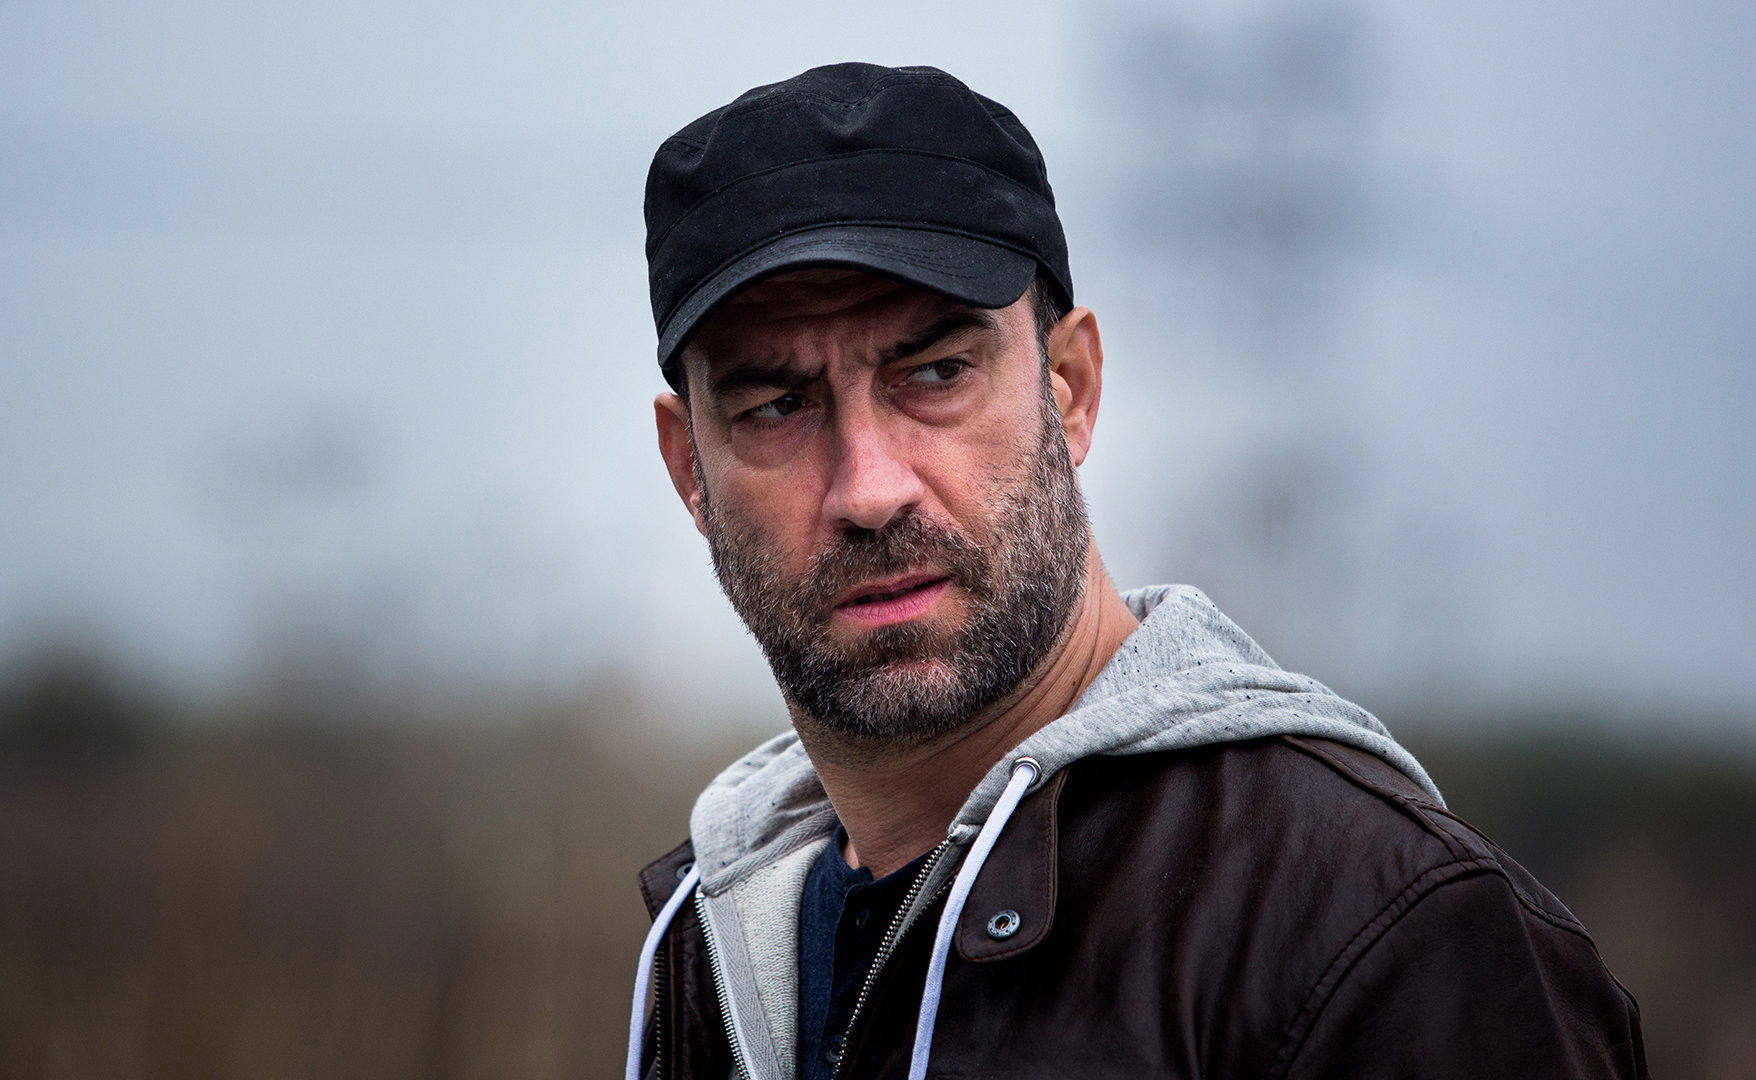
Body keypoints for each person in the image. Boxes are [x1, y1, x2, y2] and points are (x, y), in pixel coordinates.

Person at [626, 62, 1647, 1080]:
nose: (870, 489)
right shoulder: (711, 954)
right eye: (776, 406)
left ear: (1070, 389)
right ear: (689, 471)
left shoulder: (1379, 938)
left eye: (935, 373)